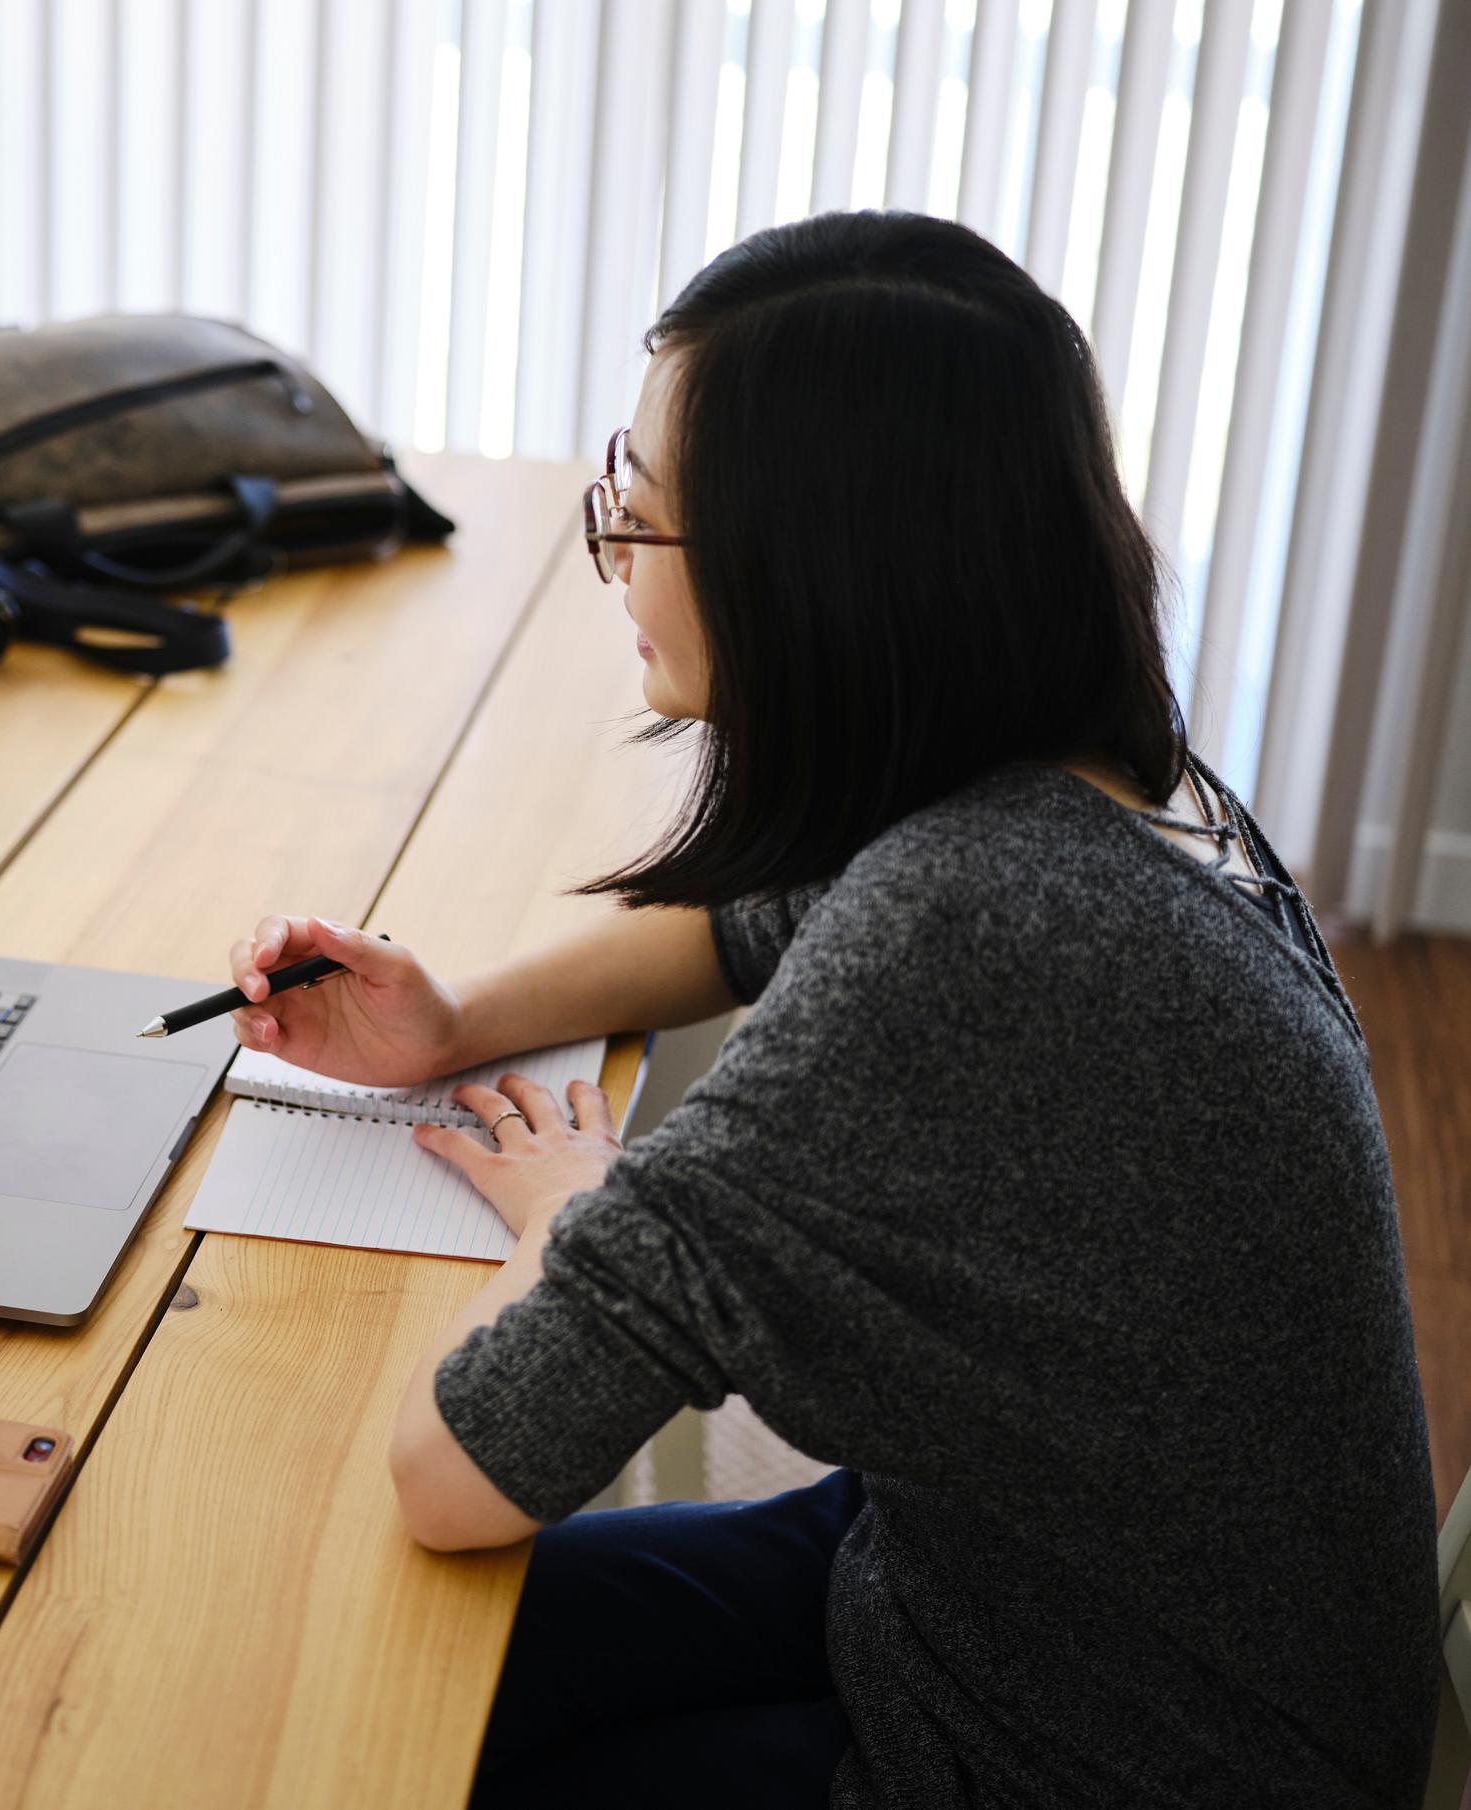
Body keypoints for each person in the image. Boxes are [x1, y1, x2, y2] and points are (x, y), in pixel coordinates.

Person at [222, 214, 1436, 1809]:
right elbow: (754, 927)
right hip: (1017, 1577)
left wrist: (577, 1209)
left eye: (642, 518)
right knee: (402, 1663)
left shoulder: (973, 935)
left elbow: (460, 1467)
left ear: (815, 567)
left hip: (1097, 1749)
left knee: (364, 1699)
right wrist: (449, 1020)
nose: (616, 553)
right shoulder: (1107, 786)